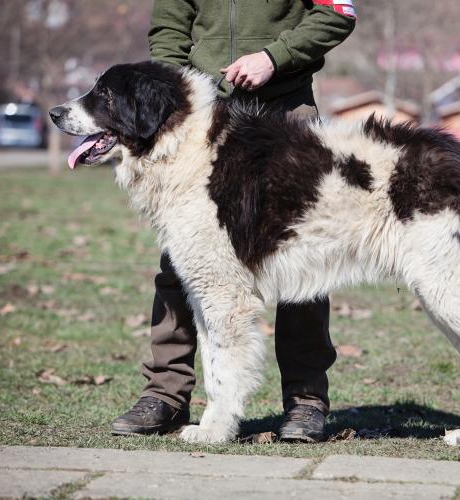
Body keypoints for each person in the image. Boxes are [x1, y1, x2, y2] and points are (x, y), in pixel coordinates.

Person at [111, 0, 356, 443]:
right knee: (183, 263)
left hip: (286, 113)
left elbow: (338, 13)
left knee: (303, 262)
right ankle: (165, 395)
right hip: (199, 116)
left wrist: (272, 58)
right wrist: (174, 92)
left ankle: (305, 401)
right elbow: (168, 29)